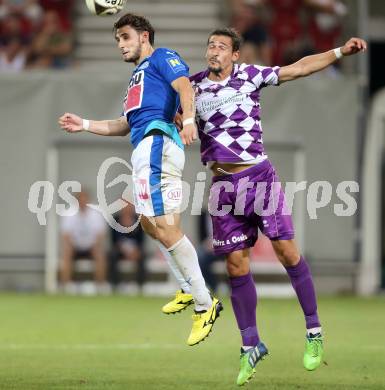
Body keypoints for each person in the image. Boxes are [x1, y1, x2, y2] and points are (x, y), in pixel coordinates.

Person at [179, 28, 365, 385]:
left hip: (258, 177)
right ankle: (250, 344)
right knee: (235, 264)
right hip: (222, 186)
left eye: (222, 47)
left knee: (286, 252)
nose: (214, 51)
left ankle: (313, 331)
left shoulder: (250, 75)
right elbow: (176, 119)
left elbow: (299, 68)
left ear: (236, 55)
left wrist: (339, 52)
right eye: (210, 46)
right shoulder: (193, 87)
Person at [58, 13, 222, 346]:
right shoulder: (138, 77)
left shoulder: (161, 57)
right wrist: (85, 123)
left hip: (156, 145)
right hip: (150, 145)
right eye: (117, 39)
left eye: (125, 37)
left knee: (158, 225)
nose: (121, 44)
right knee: (152, 224)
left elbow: (185, 85)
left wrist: (188, 119)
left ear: (144, 36)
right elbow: (123, 124)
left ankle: (204, 301)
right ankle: (192, 289)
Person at [60, 190, 108, 293]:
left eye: (84, 199)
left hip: (91, 247)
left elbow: (101, 235)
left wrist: (93, 245)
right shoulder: (69, 214)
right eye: (80, 199)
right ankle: (66, 286)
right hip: (75, 246)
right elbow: (65, 235)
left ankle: (100, 285)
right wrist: (73, 245)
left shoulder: (96, 215)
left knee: (99, 254)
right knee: (66, 252)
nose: (82, 201)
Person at [108, 203, 145, 290]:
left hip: (135, 250)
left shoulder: (139, 221)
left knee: (142, 256)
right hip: (119, 250)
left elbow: (141, 241)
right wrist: (124, 250)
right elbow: (113, 240)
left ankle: (140, 286)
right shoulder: (115, 220)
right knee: (112, 256)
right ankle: (114, 285)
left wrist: (135, 251)